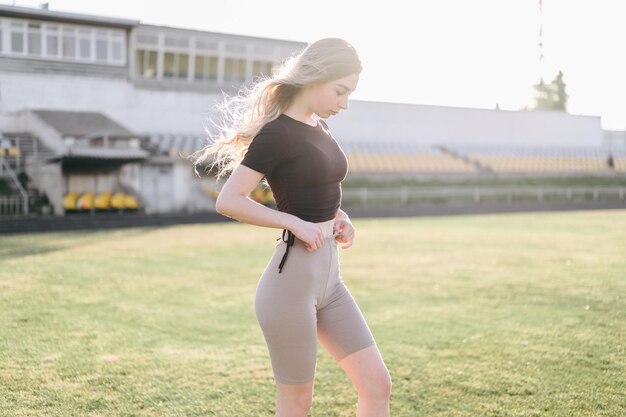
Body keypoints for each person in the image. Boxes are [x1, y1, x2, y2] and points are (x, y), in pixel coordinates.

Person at [189, 38, 392, 417]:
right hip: (289, 288)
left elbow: (315, 190)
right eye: (341, 91)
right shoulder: (276, 134)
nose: (344, 103)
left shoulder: (321, 127)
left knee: (377, 385)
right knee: (297, 405)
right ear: (315, 77)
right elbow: (229, 200)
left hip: (330, 283)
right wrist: (293, 223)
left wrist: (338, 216)